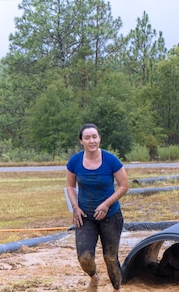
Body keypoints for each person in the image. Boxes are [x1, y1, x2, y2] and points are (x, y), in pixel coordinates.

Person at [66, 123, 129, 292]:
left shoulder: (111, 160)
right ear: (81, 141)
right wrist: (75, 207)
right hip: (85, 216)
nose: (91, 140)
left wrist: (107, 203)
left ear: (99, 138)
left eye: (94, 137)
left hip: (111, 215)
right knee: (85, 258)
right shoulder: (74, 161)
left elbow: (124, 185)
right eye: (87, 138)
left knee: (110, 258)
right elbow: (70, 187)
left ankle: (117, 288)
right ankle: (94, 278)